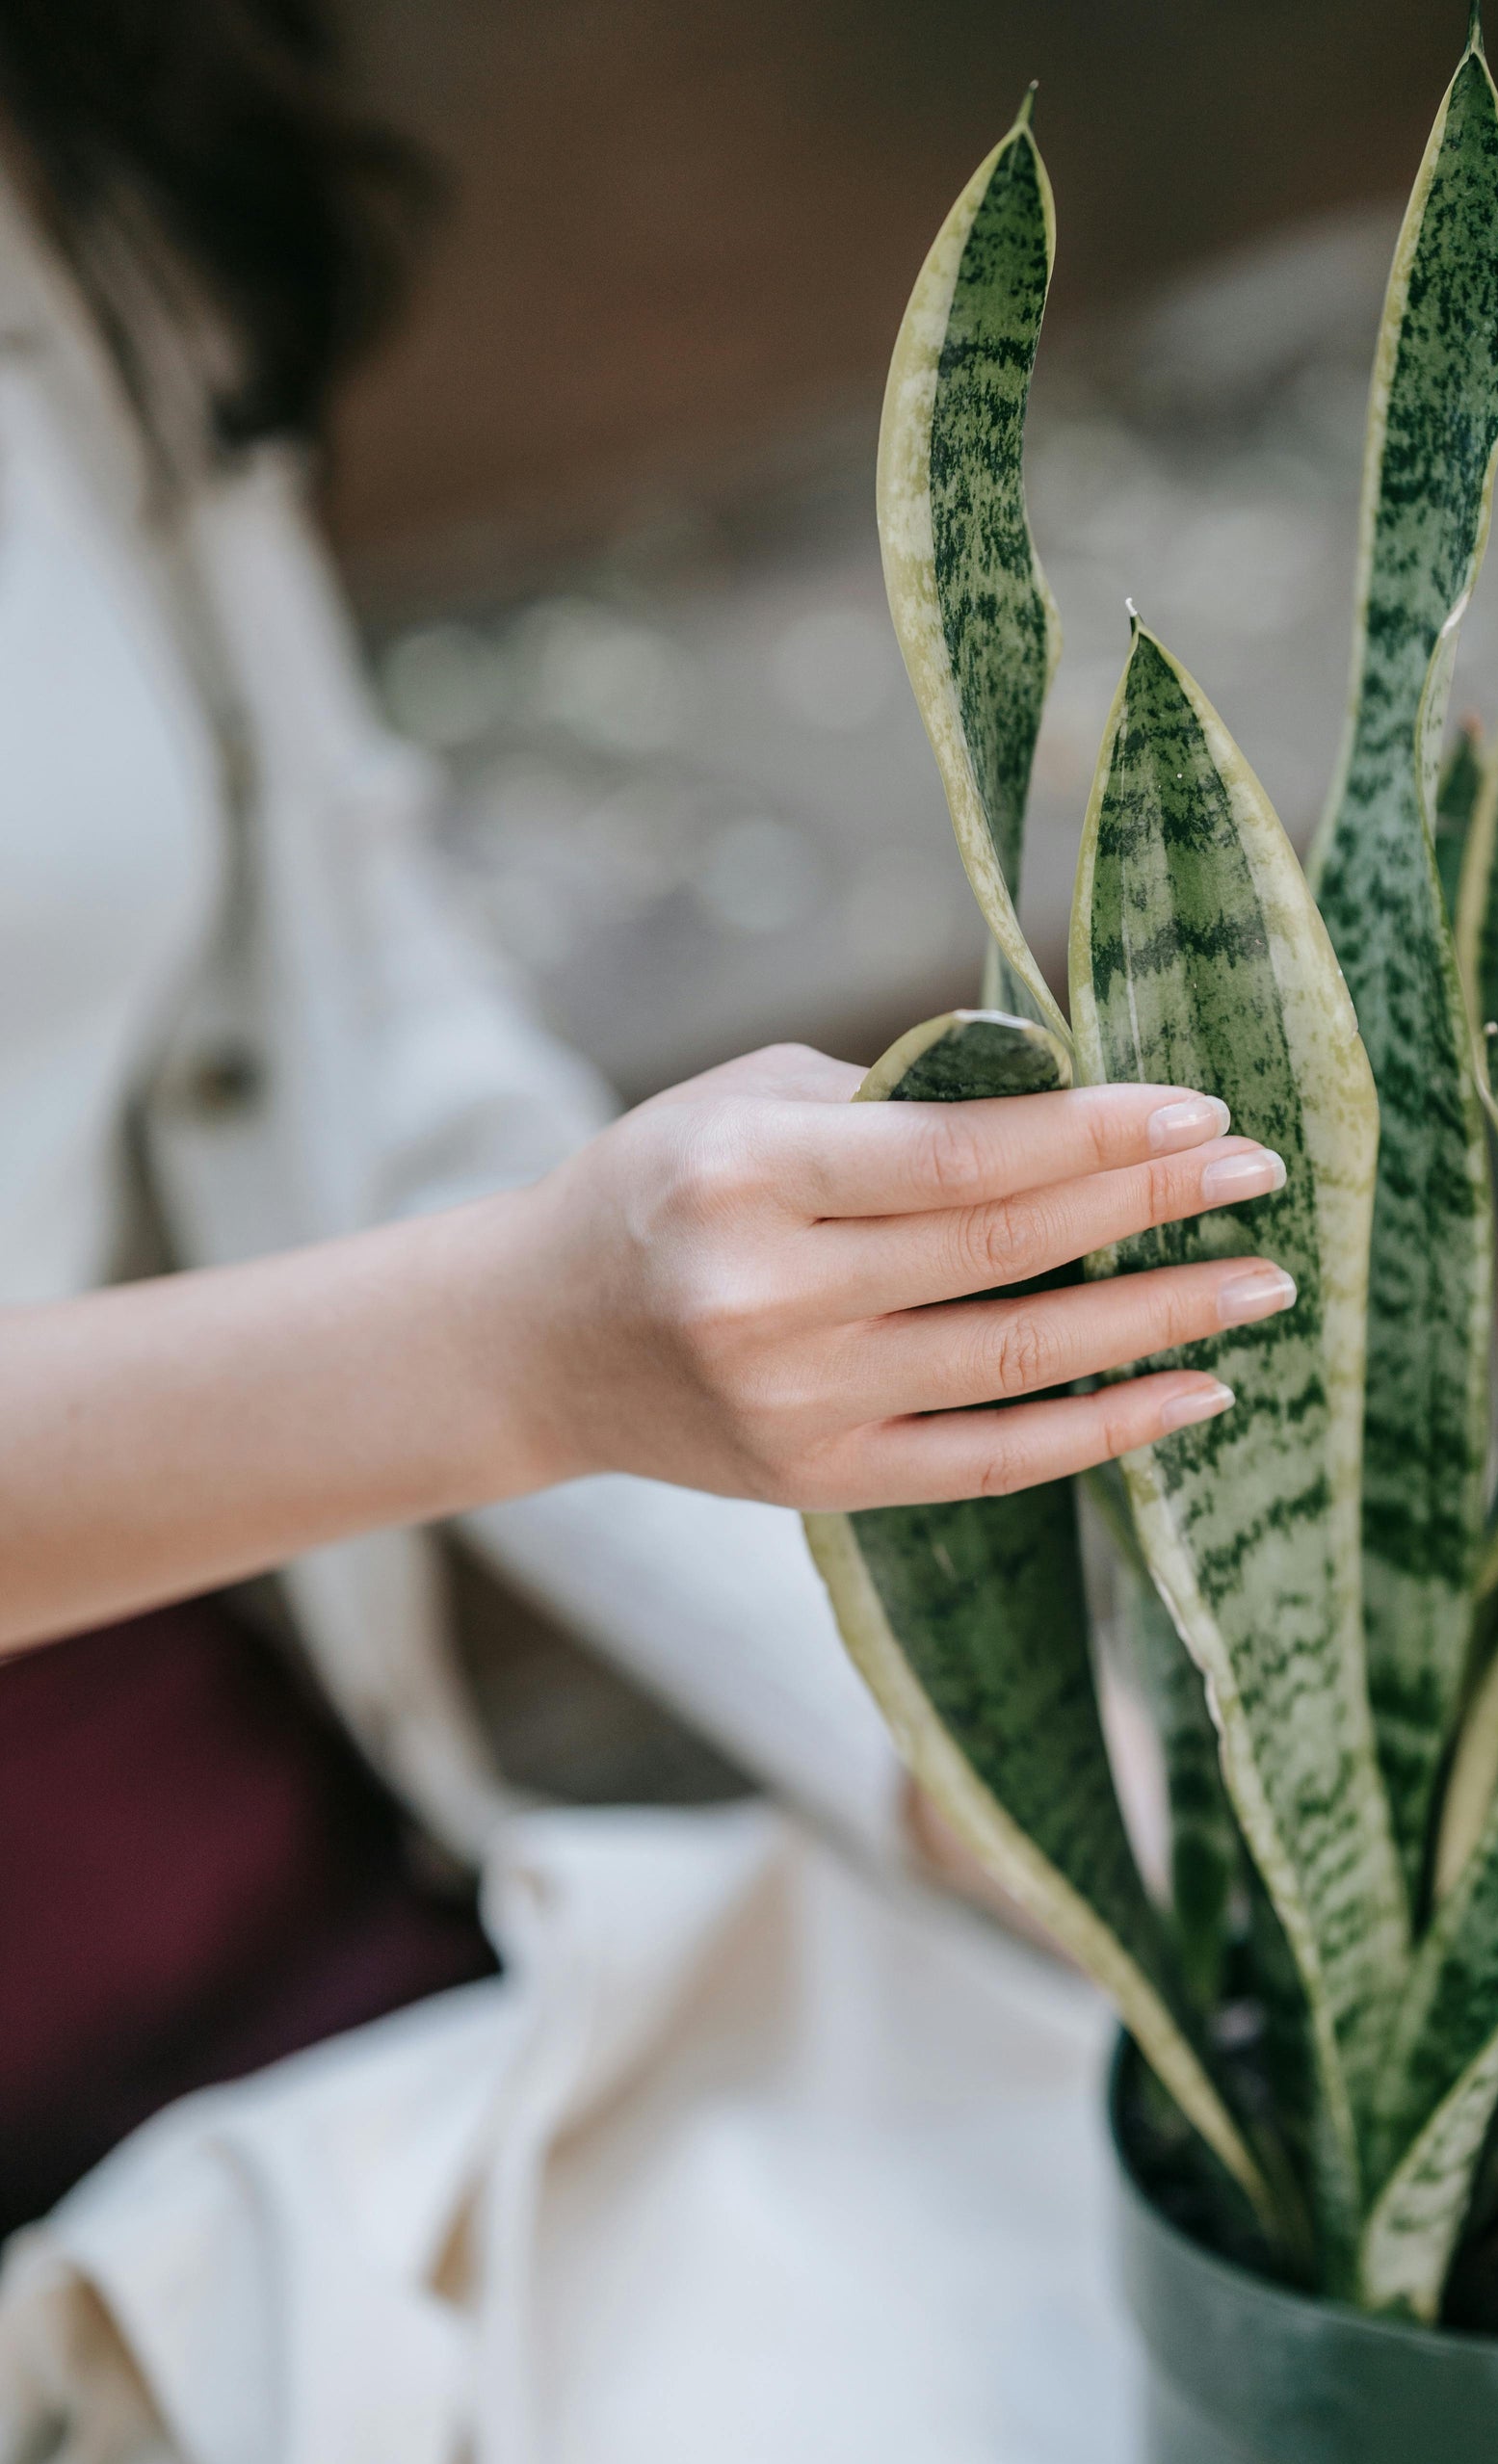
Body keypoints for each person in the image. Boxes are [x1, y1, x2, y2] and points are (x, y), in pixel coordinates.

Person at [0, 0, 1284, 2238]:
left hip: (185, 1815)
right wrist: (511, 1346)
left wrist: (997, 1779)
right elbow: (493, 1300)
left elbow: (364, 1047)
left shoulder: (65, 163)